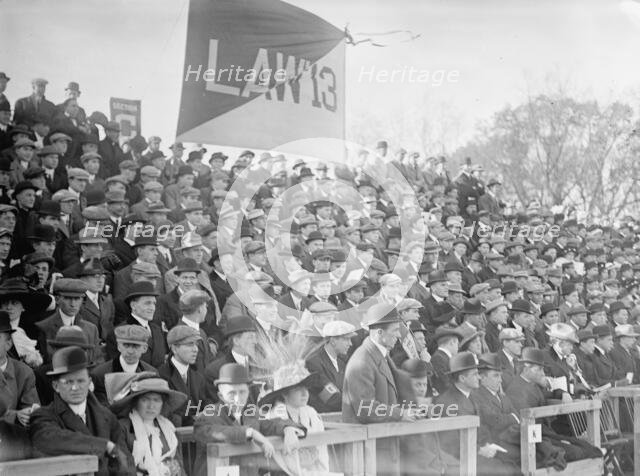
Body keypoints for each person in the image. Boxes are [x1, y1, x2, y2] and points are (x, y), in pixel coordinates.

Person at [29, 346, 135, 476]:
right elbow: (48, 439)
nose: (75, 387)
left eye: (80, 381)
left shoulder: (107, 416)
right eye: (68, 382)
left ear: (89, 383)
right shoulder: (43, 416)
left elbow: (125, 462)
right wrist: (104, 446)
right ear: (56, 386)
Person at [193, 363, 306, 476]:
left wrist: (288, 429)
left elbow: (272, 424)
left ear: (248, 393)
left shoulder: (251, 412)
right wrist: (250, 432)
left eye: (242, 392)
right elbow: (214, 433)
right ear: (221, 395)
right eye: (232, 393)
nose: (238, 399)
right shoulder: (208, 415)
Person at [342, 303, 415, 476]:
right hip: (368, 450)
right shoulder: (362, 362)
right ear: (379, 333)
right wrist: (401, 414)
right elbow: (365, 409)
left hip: (382, 444)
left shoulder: (380, 355)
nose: (399, 335)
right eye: (395, 330)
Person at [435, 351, 520, 475]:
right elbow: (450, 445)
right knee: (505, 470)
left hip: (476, 452)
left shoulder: (472, 396)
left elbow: (482, 431)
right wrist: (480, 450)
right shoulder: (447, 404)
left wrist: (488, 446)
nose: (479, 377)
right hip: (459, 460)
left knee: (514, 464)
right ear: (462, 378)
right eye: (475, 374)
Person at [106, 372, 187, 476]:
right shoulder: (123, 428)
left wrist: (174, 469)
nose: (151, 406)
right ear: (135, 402)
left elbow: (180, 467)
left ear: (163, 403)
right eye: (145, 400)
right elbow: (122, 467)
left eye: (156, 400)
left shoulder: (168, 428)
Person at [260, 360, 330, 474]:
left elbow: (321, 450)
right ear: (285, 394)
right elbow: (285, 461)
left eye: (306, 388)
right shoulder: (275, 414)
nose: (304, 393)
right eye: (298, 389)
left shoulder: (311, 413)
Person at [35, 278, 101, 364]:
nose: (73, 304)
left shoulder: (91, 329)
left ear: (82, 300)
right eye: (67, 298)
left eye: (77, 299)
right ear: (57, 299)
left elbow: (98, 360)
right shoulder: (44, 327)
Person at [91, 325, 157, 406]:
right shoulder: (100, 374)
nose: (130, 351)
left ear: (145, 348)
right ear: (119, 346)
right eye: (126, 345)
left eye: (136, 346)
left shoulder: (151, 374)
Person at [107, 281, 166, 368]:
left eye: (154, 303)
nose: (152, 308)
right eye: (147, 303)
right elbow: (117, 367)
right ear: (133, 305)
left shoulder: (157, 329)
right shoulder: (119, 332)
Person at [157, 325, 208, 426]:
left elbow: (204, 406)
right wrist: (193, 418)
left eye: (196, 344)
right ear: (175, 349)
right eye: (190, 344)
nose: (196, 349)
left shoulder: (198, 377)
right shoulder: (160, 375)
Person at [305, 320, 355, 412]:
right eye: (346, 339)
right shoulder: (314, 363)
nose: (350, 344)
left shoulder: (342, 362)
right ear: (333, 341)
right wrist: (358, 405)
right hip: (324, 418)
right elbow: (330, 398)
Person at [0, 310, 40, 426]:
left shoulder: (23, 372)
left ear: (8, 344)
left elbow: (31, 408)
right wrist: (14, 416)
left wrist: (27, 414)